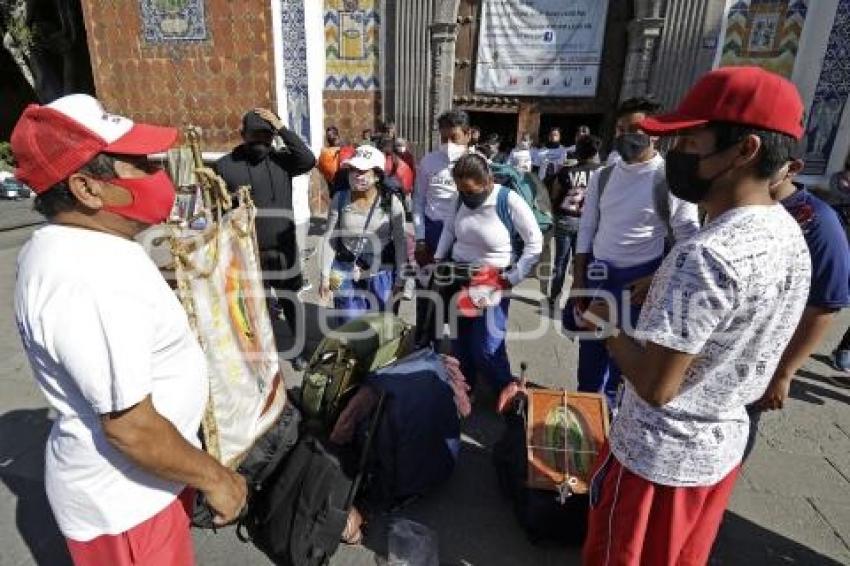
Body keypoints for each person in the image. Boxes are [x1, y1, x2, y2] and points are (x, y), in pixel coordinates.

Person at [581, 66, 811, 566]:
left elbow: (656, 387)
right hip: (718, 448)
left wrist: (608, 326)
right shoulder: (786, 232)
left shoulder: (705, 254)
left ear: (744, 149)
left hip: (656, 461)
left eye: (689, 141)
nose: (675, 154)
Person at [11, 94, 247, 565]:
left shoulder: (90, 246)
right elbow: (130, 427)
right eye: (137, 163)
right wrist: (218, 479)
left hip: (147, 491)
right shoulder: (89, 275)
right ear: (86, 188)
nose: (155, 172)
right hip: (127, 509)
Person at [570, 97, 700, 407]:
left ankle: (616, 425)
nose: (627, 135)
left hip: (640, 286)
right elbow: (586, 229)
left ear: (655, 132)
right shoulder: (603, 177)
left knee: (626, 364)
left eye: (636, 129)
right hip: (598, 279)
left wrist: (657, 278)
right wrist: (578, 280)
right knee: (590, 360)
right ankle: (589, 420)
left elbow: (689, 239)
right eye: (621, 128)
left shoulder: (670, 180)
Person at [215, 108, 316, 371]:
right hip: (249, 252)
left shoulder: (282, 161)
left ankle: (300, 350)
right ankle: (259, 355)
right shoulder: (226, 166)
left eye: (266, 137)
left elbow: (308, 160)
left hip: (283, 250)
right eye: (254, 136)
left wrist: (281, 128)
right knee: (252, 305)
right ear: (243, 135)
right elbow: (218, 209)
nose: (261, 142)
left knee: (289, 302)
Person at [433, 153, 543, 391]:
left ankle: (507, 389)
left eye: (471, 191)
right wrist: (438, 259)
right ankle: (465, 388)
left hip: (494, 281)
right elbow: (449, 230)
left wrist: (513, 277)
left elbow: (535, 242)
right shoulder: (459, 199)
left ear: (488, 182)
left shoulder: (508, 200)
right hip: (459, 277)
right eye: (461, 191)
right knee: (459, 341)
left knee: (486, 346)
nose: (466, 196)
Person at [319, 145, 408, 325]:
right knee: (349, 321)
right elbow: (330, 238)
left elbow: (400, 241)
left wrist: (401, 278)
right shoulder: (340, 198)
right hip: (345, 267)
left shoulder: (391, 202)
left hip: (381, 270)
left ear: (377, 175)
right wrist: (325, 276)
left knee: (379, 321)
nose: (356, 175)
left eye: (362, 171)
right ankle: (351, 351)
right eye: (352, 170)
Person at [413, 109, 472, 342]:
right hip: (431, 234)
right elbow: (418, 200)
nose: (448, 144)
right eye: (443, 138)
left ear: (468, 135)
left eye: (454, 138)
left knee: (459, 296)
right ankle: (425, 343)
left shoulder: (478, 164)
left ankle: (460, 349)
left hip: (463, 239)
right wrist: (419, 237)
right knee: (428, 293)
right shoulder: (429, 161)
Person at [548, 134, 602, 305]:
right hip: (589, 223)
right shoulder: (602, 173)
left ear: (578, 153)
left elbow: (554, 194)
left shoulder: (565, 171)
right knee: (581, 263)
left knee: (560, 261)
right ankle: (576, 299)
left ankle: (554, 297)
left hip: (565, 219)